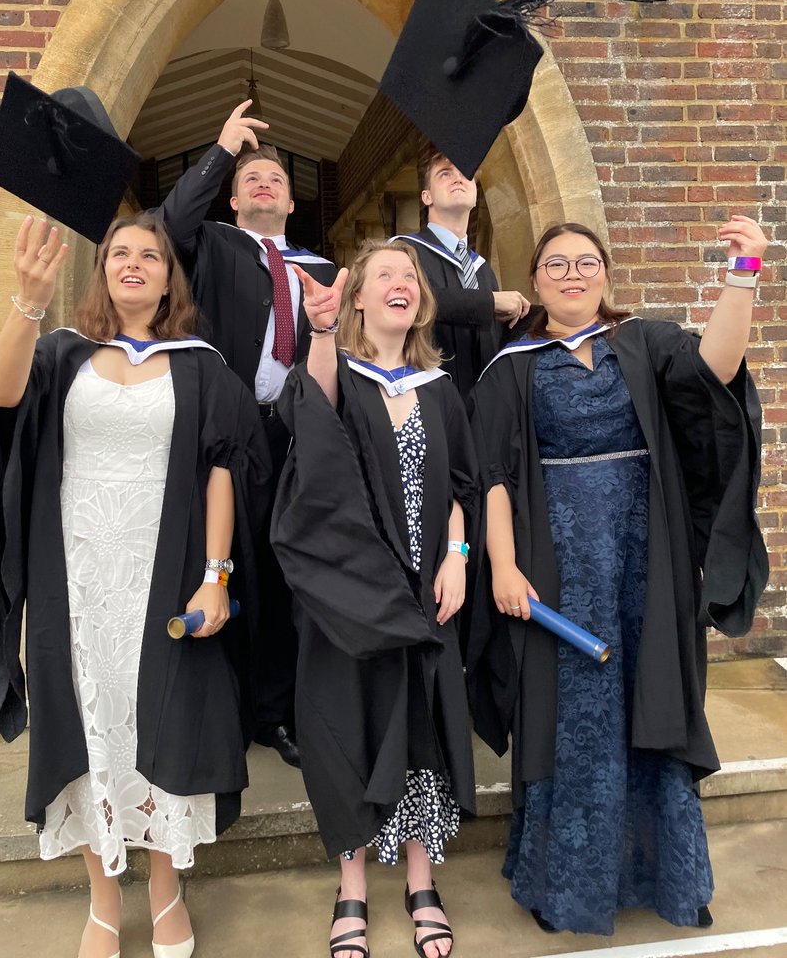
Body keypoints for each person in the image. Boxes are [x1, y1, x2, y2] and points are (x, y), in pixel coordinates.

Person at [0, 213, 269, 958]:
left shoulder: (200, 364)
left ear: (169, 278)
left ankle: (167, 892)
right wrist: (26, 302)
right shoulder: (63, 352)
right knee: (89, 727)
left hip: (163, 579)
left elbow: (222, 466)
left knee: (167, 724)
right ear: (102, 274)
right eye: (119, 254)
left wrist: (216, 576)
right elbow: (1, 401)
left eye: (151, 256)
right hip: (76, 578)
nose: (134, 263)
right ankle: (102, 902)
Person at [467, 218, 770, 937]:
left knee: (652, 695)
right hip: (556, 563)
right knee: (569, 717)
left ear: (605, 273)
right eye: (555, 264)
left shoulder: (642, 342)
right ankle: (564, 884)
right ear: (536, 282)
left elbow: (717, 370)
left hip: (644, 557)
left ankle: (671, 876)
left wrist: (744, 270)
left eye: (586, 262)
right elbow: (494, 476)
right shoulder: (512, 366)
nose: (572, 274)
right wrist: (503, 564)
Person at [272, 240, 482, 958]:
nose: (401, 283)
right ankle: (352, 884)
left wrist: (457, 558)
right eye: (383, 274)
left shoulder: (440, 388)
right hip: (349, 596)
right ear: (357, 296)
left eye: (411, 276)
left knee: (421, 721)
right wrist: (321, 331)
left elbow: (461, 486)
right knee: (344, 727)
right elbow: (315, 418)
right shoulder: (339, 377)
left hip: (427, 594)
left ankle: (422, 879)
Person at [157, 101, 338, 768]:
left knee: (290, 573)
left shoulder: (317, 269)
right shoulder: (210, 246)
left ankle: (279, 709)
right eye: (251, 177)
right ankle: (224, 709)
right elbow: (168, 224)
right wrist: (224, 147)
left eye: (277, 180)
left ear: (291, 203)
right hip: (227, 432)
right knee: (228, 565)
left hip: (297, 433)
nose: (265, 183)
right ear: (232, 197)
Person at [393, 152, 529, 400]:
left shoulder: (482, 268)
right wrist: (490, 303)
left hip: (483, 408)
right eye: (445, 173)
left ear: (476, 195)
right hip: (425, 399)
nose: (458, 179)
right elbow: (418, 301)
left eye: (465, 174)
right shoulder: (403, 251)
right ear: (427, 196)